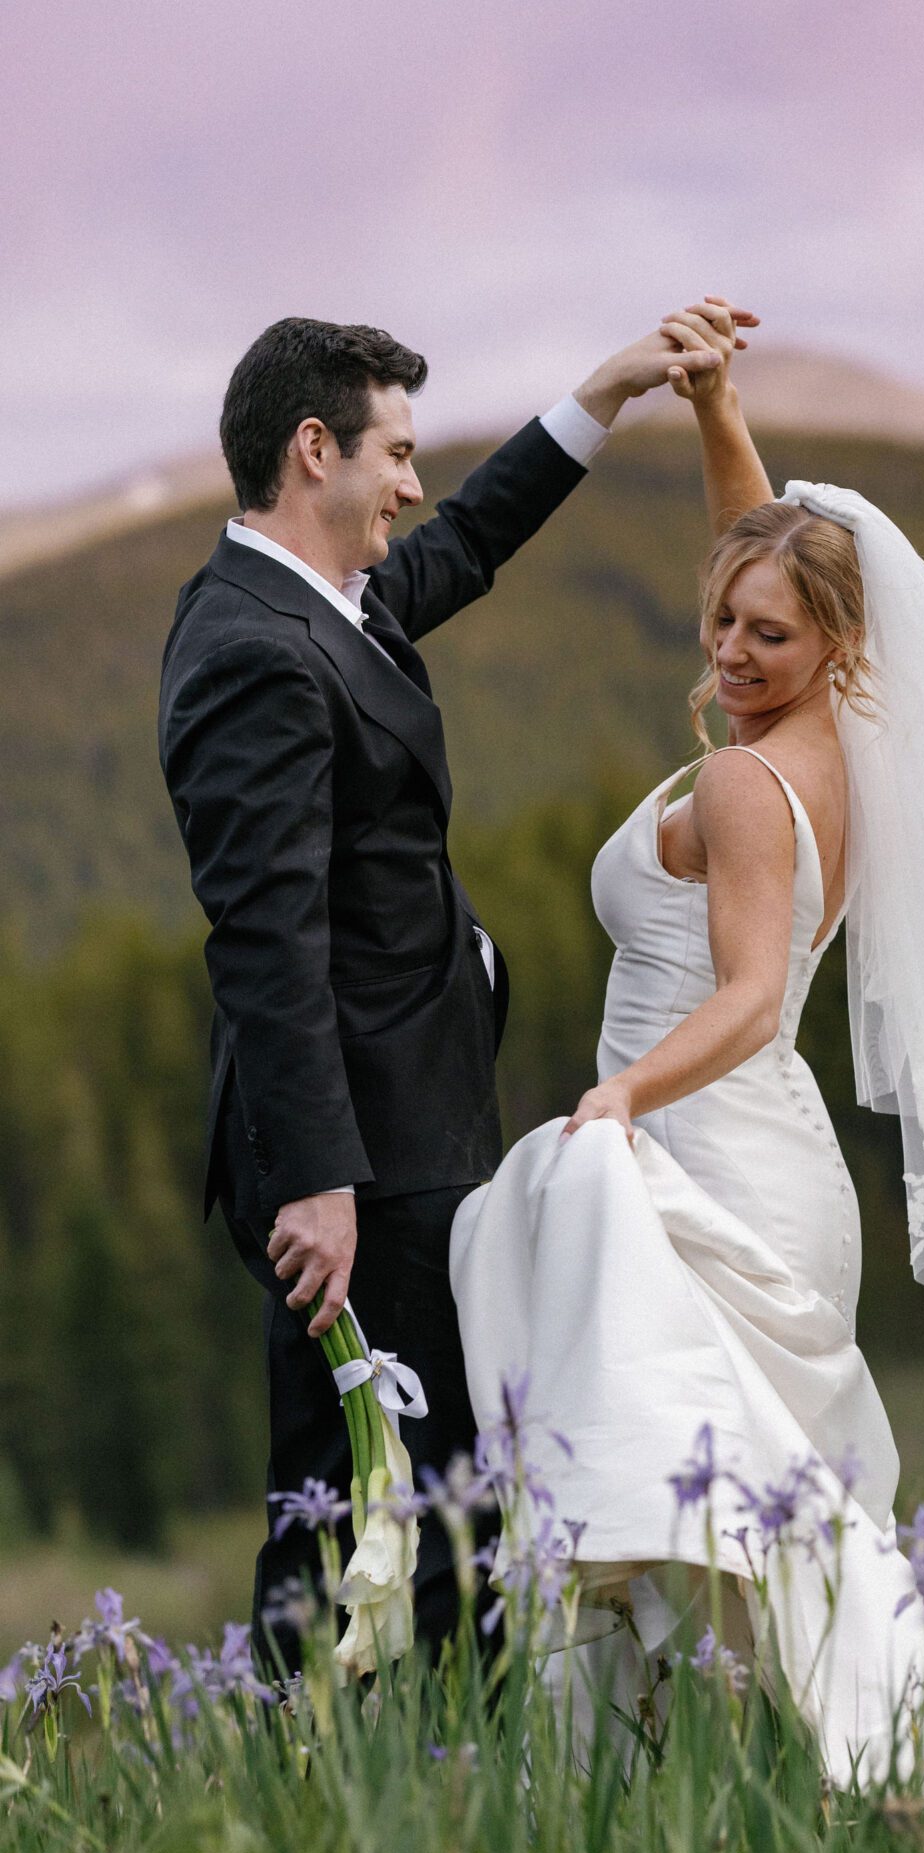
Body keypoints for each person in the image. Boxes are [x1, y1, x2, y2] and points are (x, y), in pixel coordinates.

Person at [449, 311, 924, 1800]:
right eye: (722, 624)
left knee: (727, 1516)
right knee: (732, 1517)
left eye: (767, 635)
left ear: (833, 638)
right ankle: (669, 1801)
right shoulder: (843, 730)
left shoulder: (746, 776)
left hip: (713, 1153)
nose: (731, 650)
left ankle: (915, 1771)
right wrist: (714, 408)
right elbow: (757, 548)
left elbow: (756, 999)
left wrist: (615, 1100)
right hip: (755, 1161)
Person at [158, 307, 740, 1669]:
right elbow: (265, 934)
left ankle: (318, 1790)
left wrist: (604, 395)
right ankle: (406, 1795)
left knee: (357, 1493)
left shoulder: (311, 602)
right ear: (316, 451)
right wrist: (319, 1181)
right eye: (397, 455)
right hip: (358, 1157)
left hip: (396, 1127)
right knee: (415, 1506)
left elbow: (465, 545)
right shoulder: (257, 649)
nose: (413, 486)